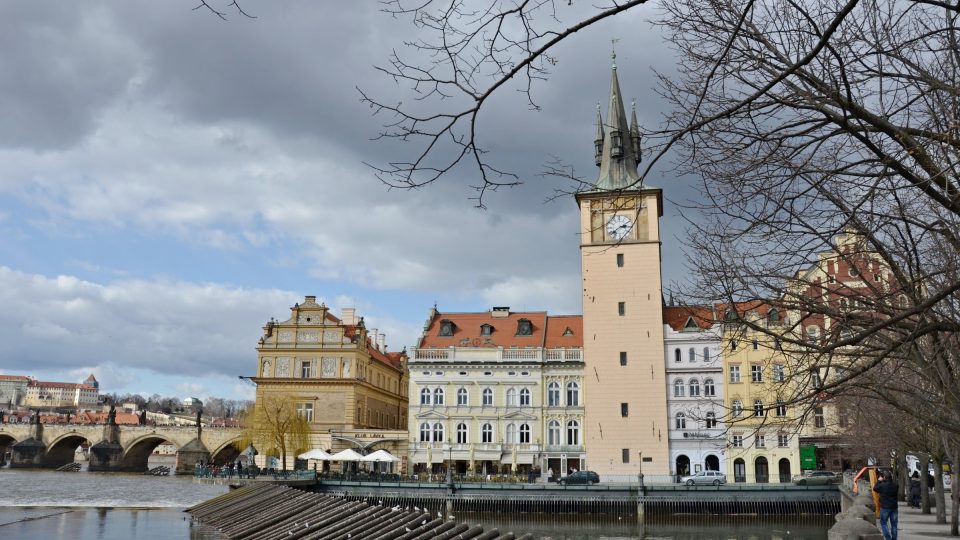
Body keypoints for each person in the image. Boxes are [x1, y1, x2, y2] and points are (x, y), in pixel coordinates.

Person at [873, 470, 899, 540]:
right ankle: (894, 538)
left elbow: (875, 488)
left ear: (884, 477)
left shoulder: (882, 485)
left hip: (885, 507)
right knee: (894, 524)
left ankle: (888, 538)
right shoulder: (895, 485)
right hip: (894, 507)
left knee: (883, 523)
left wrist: (879, 481)